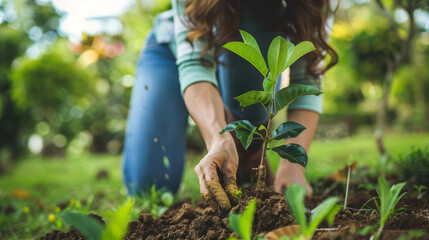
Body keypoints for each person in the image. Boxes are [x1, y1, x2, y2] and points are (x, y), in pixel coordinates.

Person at [122, 0, 338, 210]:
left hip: (250, 36)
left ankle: (248, 151)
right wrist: (218, 138)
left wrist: (293, 167)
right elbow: (195, 63)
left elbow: (307, 76)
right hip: (173, 48)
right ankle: (238, 147)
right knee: (148, 186)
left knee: (258, 10)